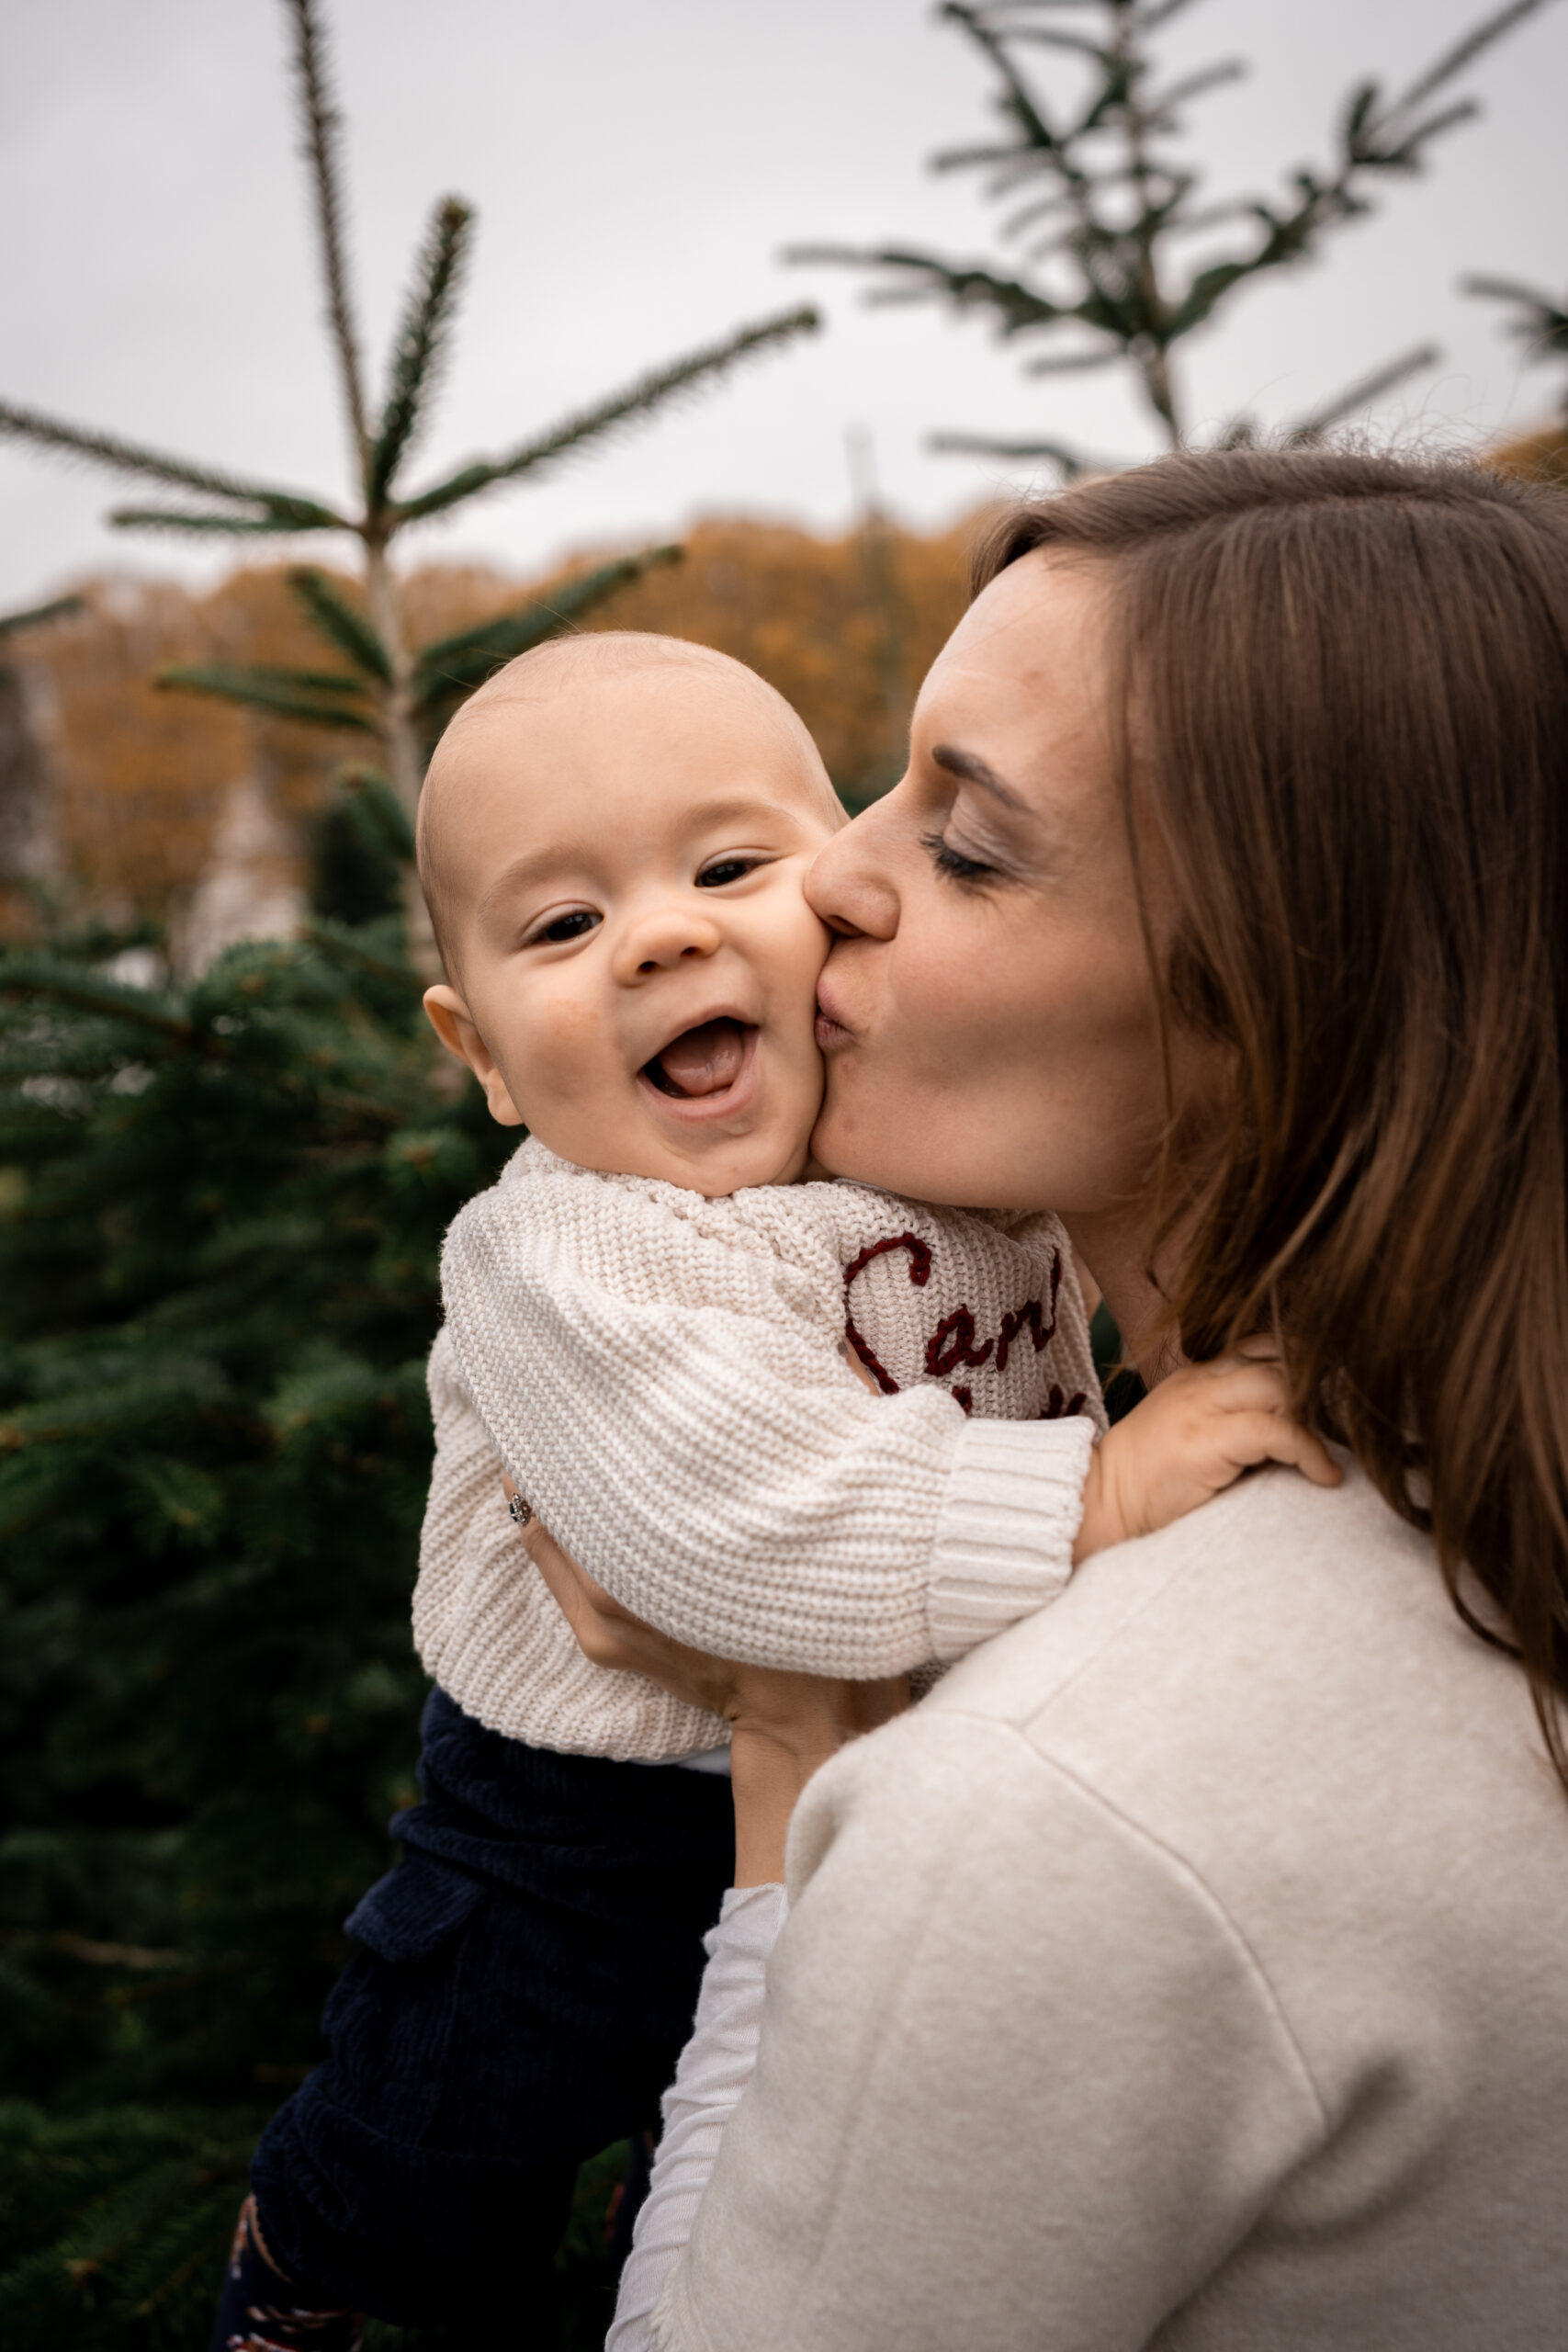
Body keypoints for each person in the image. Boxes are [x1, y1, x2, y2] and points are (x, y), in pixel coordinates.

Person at [518, 449, 1568, 2351]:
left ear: (1282, 994)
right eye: (893, 776)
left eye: (968, 841)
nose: (827, 870)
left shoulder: (1055, 1814)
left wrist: (795, 1747)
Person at [212, 635, 1323, 2351]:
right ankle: (312, 2284)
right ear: (486, 1056)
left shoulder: (915, 1144)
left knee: (756, 2136)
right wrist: (1100, 1496)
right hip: (576, 1822)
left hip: (851, 1754)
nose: (659, 933)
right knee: (448, 2126)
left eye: (731, 869)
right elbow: (741, 1531)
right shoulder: (579, 1247)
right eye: (563, 928)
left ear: (844, 897)